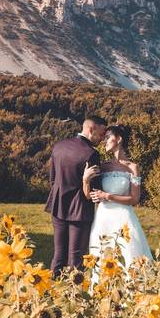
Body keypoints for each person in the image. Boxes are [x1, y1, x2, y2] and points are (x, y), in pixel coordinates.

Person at [84, 125, 153, 279]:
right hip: (103, 217)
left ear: (119, 139)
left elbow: (134, 199)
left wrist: (108, 196)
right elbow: (90, 194)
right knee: (102, 254)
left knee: (128, 255)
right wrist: (86, 181)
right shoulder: (103, 167)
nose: (104, 141)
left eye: (108, 137)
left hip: (124, 219)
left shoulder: (133, 168)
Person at [45, 115, 107, 275]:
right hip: (79, 209)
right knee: (76, 256)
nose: (101, 139)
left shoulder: (59, 146)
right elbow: (93, 192)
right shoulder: (91, 154)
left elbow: (53, 178)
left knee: (58, 253)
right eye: (100, 134)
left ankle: (52, 285)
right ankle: (75, 292)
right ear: (90, 129)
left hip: (58, 204)